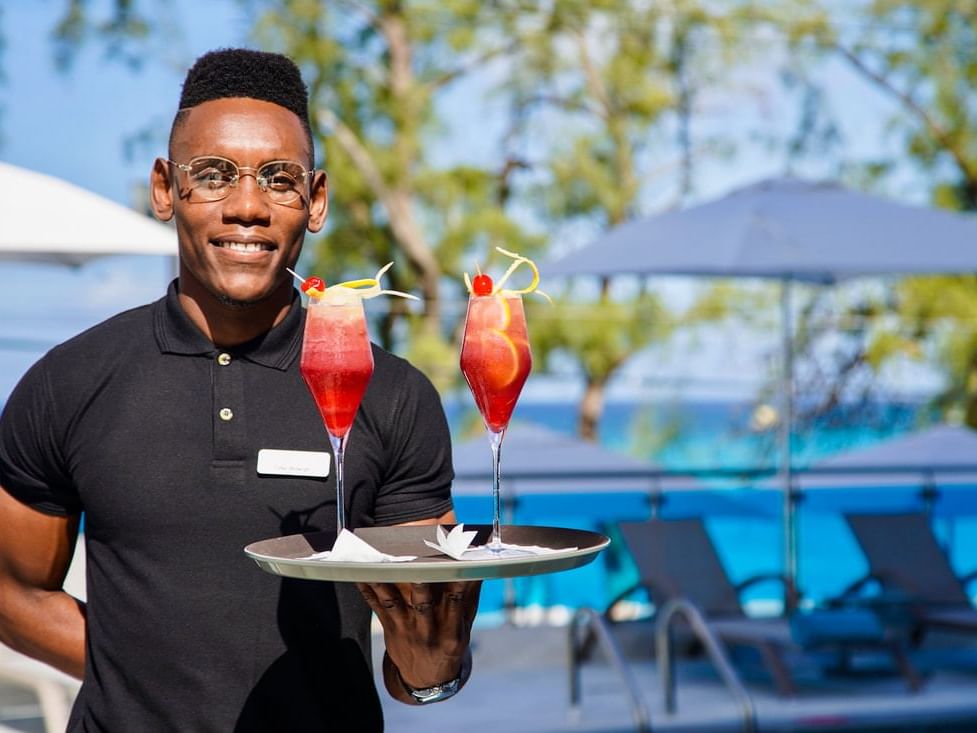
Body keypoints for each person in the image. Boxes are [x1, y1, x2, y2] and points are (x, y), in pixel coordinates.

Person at [0, 48, 480, 731]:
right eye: (214, 175)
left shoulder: (392, 395)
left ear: (314, 201)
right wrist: (135, 681)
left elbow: (417, 656)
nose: (247, 206)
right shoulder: (69, 381)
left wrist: (434, 669)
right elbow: (10, 591)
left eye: (278, 179)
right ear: (165, 189)